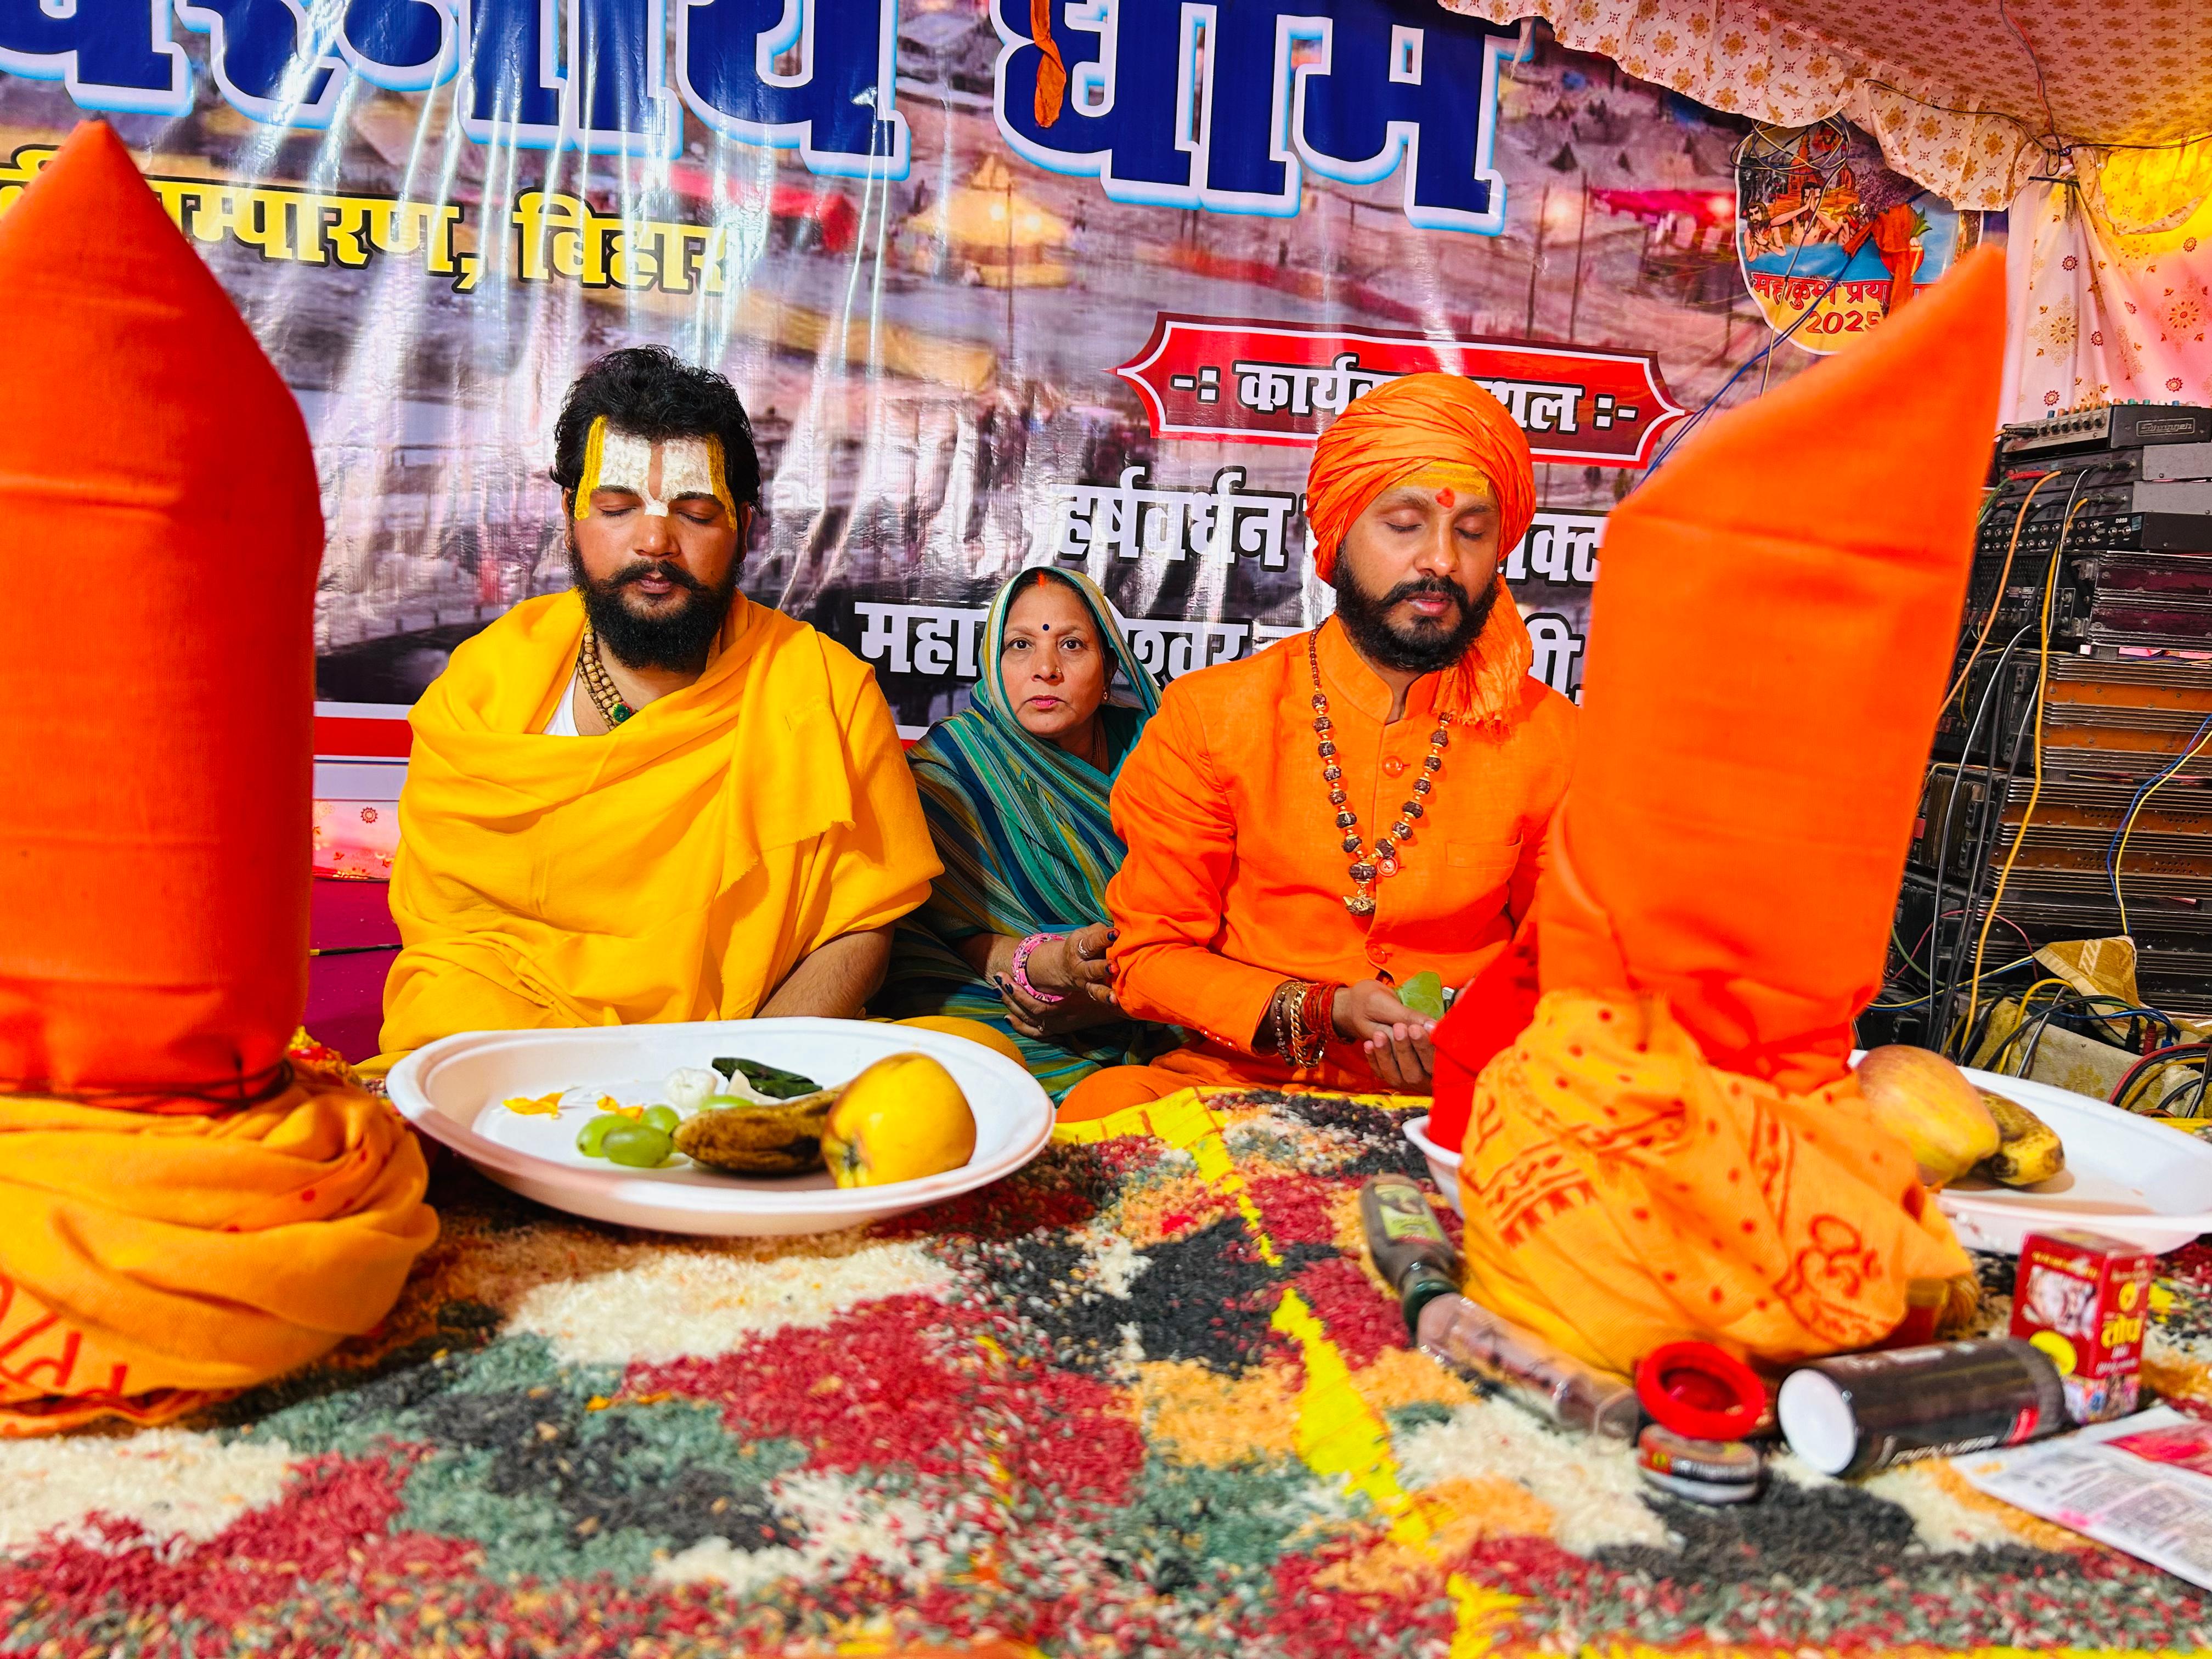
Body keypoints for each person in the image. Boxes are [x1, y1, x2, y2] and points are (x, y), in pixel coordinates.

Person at [375, 349, 1007, 1066]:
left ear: (744, 525)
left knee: (977, 1062)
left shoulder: (823, 691)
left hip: (729, 1061)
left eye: (696, 513)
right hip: (506, 1057)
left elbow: (859, 929)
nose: (655, 542)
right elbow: (453, 946)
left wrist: (736, 1082)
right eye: (616, 509)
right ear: (570, 515)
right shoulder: (488, 685)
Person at [1058, 374, 1577, 1119]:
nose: (1440, 560)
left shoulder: (1551, 736)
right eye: (1405, 525)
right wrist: (1318, 1012)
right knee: (1101, 1114)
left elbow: (1564, 962)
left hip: (1462, 1093)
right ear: (1336, 538)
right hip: (1237, 1081)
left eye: (1470, 532)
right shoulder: (1214, 715)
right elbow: (1148, 958)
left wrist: (1477, 1038)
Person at [879, 569, 1184, 1099]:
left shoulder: (1166, 749)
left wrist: (1121, 998)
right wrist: (1047, 968)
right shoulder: (951, 768)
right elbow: (951, 931)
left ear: (1111, 666)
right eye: (1020, 646)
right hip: (1003, 998)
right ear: (991, 666)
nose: (1046, 669)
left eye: (1072, 645)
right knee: (950, 1069)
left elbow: (1219, 911)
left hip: (1165, 995)